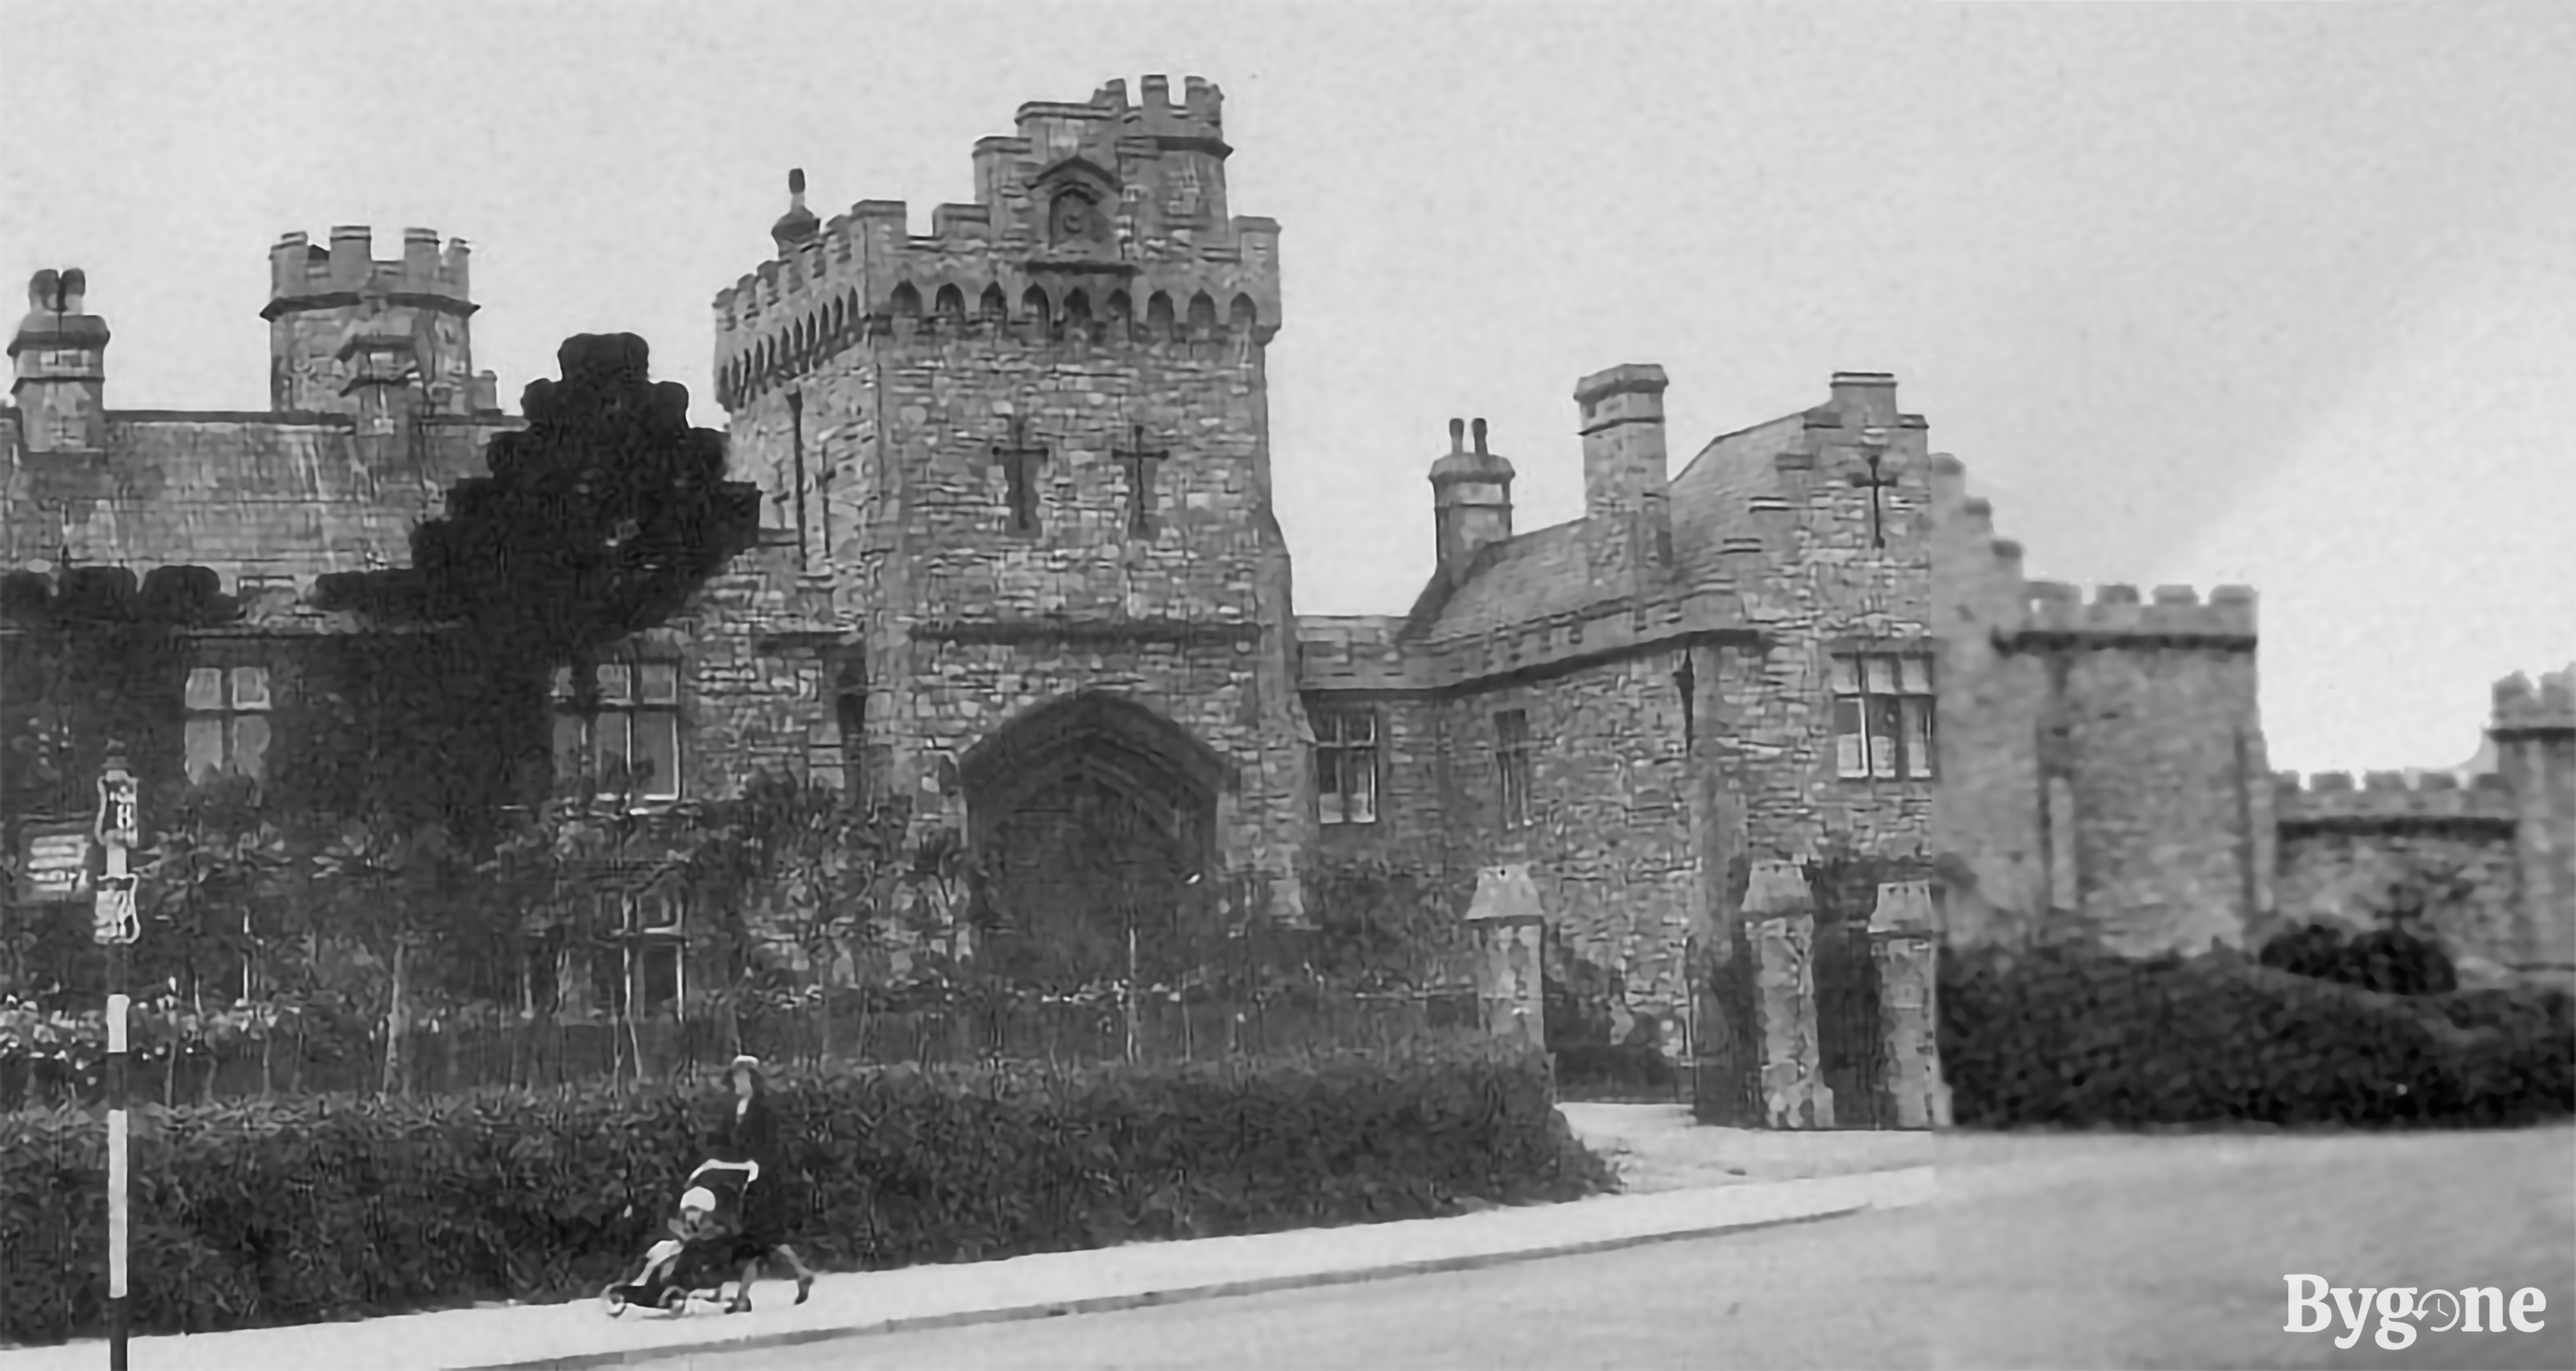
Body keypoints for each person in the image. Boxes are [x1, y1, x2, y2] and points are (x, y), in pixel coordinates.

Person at [718, 1054, 817, 1311]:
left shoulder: (765, 1109)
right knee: (766, 1239)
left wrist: (759, 1170)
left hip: (765, 1181)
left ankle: (743, 1297)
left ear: (753, 1079)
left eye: (743, 1076)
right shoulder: (735, 1109)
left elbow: (771, 1146)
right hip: (744, 1179)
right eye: (736, 1077)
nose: (739, 1082)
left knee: (756, 1237)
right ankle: (801, 1272)